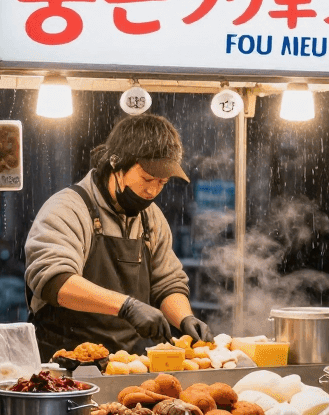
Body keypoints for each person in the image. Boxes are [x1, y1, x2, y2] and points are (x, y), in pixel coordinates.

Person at [24, 114, 213, 359]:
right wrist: (127, 307)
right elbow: (55, 281)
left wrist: (184, 318)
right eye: (147, 178)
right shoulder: (68, 208)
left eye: (162, 182)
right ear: (116, 163)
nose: (153, 190)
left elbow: (166, 282)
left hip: (127, 363)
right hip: (63, 364)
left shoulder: (151, 217)